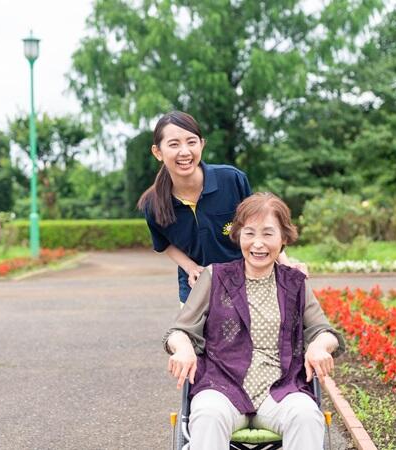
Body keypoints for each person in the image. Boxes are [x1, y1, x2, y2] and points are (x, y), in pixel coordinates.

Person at [162, 193, 345, 449]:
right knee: (206, 415)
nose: (258, 244)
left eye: (268, 234)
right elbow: (180, 330)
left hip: (281, 390)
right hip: (222, 387)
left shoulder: (295, 282)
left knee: (306, 416)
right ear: (238, 236)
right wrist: (182, 348)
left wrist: (318, 345)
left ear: (283, 239)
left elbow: (324, 331)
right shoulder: (215, 276)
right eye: (249, 233)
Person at [138, 111, 306, 303]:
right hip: (197, 290)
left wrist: (286, 264)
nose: (184, 151)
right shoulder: (152, 203)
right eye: (174, 144)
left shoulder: (232, 179)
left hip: (246, 284)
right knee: (187, 334)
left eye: (191, 142)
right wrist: (190, 267)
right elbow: (164, 244)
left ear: (201, 144)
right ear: (157, 152)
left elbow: (261, 226)